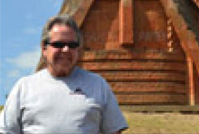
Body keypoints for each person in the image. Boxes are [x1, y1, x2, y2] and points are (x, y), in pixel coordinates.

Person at [0, 15, 128, 134]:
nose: (66, 50)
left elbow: (114, 131)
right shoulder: (24, 87)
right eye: (58, 44)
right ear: (44, 48)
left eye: (72, 45)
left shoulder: (97, 85)